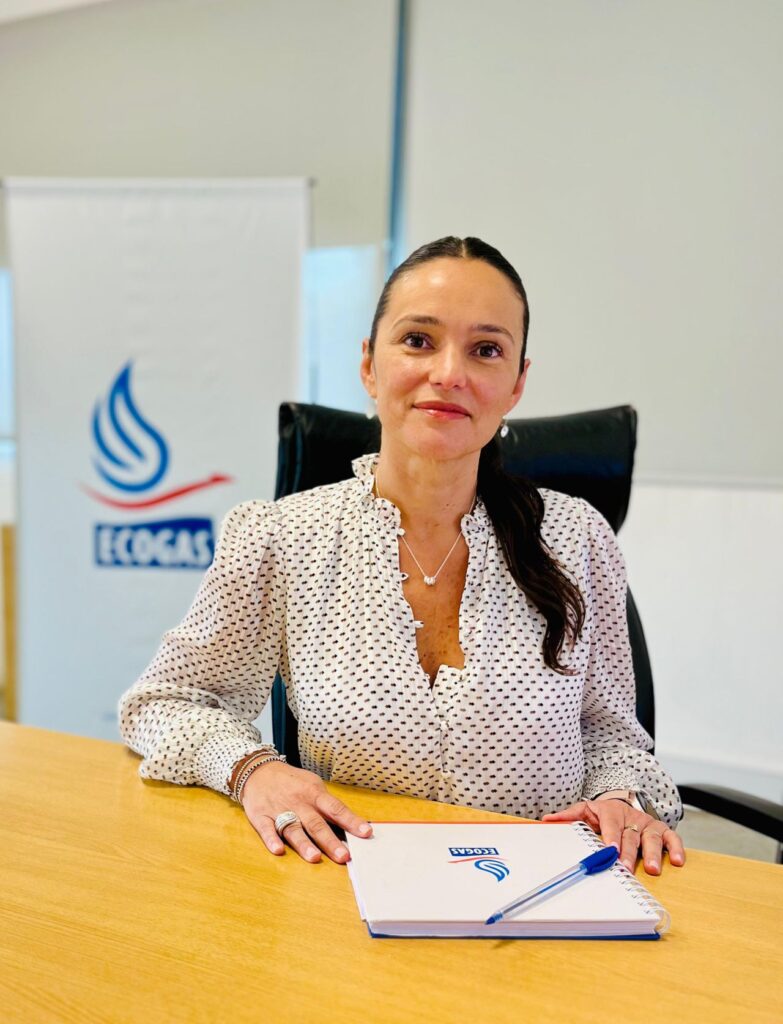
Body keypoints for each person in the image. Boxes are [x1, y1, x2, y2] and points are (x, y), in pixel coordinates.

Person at [118, 236, 686, 877]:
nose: (449, 373)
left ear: (517, 384)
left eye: (486, 350)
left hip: (543, 895)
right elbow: (162, 703)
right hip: (347, 890)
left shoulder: (577, 539)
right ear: (369, 365)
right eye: (418, 340)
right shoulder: (280, 537)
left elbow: (613, 739)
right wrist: (252, 769)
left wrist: (622, 798)